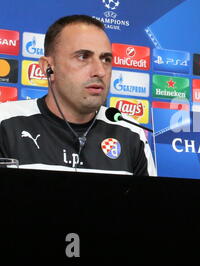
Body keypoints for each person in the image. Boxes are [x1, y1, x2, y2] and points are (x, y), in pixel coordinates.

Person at [0, 15, 156, 176]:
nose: (100, 71)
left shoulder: (130, 134)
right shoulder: (5, 123)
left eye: (106, 59)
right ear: (48, 68)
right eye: (83, 57)